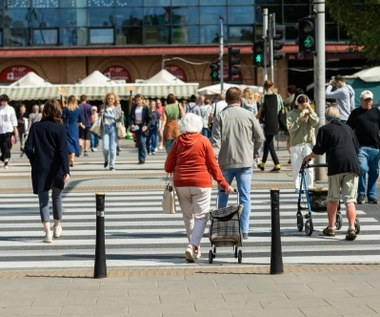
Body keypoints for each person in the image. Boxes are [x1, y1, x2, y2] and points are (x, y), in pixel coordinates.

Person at [165, 113, 234, 263]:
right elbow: (213, 166)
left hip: (181, 183)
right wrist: (224, 184)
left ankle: (194, 247)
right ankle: (192, 245)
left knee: (188, 217)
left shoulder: (177, 142)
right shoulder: (204, 141)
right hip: (201, 183)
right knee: (201, 216)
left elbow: (168, 166)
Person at [211, 87, 265, 239]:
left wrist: (213, 159)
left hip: (225, 161)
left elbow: (215, 142)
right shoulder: (249, 115)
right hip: (245, 161)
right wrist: (253, 151)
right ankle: (244, 229)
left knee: (222, 194)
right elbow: (260, 137)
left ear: (226, 100)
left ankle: (221, 226)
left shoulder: (220, 116)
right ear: (240, 99)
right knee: (245, 196)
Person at [304, 106, 360, 240]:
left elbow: (318, 150)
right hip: (352, 165)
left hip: (336, 166)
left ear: (327, 118)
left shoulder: (324, 129)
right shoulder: (348, 129)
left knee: (333, 198)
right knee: (350, 199)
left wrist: (307, 158)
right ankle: (352, 227)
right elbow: (356, 148)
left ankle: (331, 227)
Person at [24, 99, 70, 243]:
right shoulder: (60, 128)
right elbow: (63, 151)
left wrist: (34, 160)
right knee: (57, 198)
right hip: (57, 168)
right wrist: (66, 170)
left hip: (40, 167)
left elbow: (28, 148)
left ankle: (47, 232)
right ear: (58, 111)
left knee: (43, 200)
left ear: (44, 111)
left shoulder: (36, 127)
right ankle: (57, 226)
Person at [347, 90, 380, 204]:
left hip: (376, 147)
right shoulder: (355, 113)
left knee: (375, 172)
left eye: (369, 100)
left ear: (372, 100)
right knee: (362, 168)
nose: (368, 102)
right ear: (361, 100)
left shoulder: (377, 112)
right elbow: (349, 129)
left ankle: (371, 195)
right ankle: (361, 193)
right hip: (361, 147)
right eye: (365, 100)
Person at [287, 94, 319, 190]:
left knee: (309, 168)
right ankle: (298, 187)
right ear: (297, 104)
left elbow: (316, 122)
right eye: (302, 105)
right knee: (296, 167)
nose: (303, 107)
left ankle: (309, 187)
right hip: (296, 144)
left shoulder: (309, 112)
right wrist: (299, 121)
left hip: (308, 143)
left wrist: (310, 109)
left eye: (305, 104)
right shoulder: (292, 114)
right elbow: (290, 129)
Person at [256, 79, 284, 172]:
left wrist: (257, 117)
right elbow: (281, 109)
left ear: (264, 87)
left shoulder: (263, 97)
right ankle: (263, 164)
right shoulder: (278, 97)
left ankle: (277, 164)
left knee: (269, 143)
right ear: (272, 86)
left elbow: (260, 110)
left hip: (267, 122)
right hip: (275, 121)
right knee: (268, 142)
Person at [101, 92, 123, 171]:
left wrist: (121, 115)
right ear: (106, 99)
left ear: (114, 100)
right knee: (105, 147)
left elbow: (118, 119)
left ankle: (112, 165)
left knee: (113, 148)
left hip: (114, 128)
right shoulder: (103, 106)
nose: (110, 100)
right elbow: (100, 118)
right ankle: (106, 159)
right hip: (105, 128)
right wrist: (101, 113)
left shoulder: (117, 107)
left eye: (112, 99)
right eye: (109, 98)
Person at [129, 94, 152, 164]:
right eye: (136, 100)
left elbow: (150, 119)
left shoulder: (146, 108)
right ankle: (140, 159)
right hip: (136, 127)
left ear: (142, 100)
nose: (138, 101)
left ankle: (142, 158)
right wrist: (132, 124)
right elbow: (131, 117)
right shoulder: (134, 107)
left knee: (142, 142)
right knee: (139, 143)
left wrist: (146, 126)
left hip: (143, 127)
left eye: (139, 100)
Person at [62, 95, 83, 167]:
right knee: (74, 142)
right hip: (74, 127)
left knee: (68, 143)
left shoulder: (65, 108)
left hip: (66, 127)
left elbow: (62, 117)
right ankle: (72, 159)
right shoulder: (78, 109)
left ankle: (68, 160)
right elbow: (81, 119)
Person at [0, 94, 18, 168]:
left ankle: (6, 161)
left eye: (4, 101)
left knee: (6, 145)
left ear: (7, 101)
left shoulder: (11, 109)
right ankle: (3, 158)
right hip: (0, 130)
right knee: (2, 146)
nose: (3, 102)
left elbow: (13, 120)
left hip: (8, 130)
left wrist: (15, 130)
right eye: (2, 101)